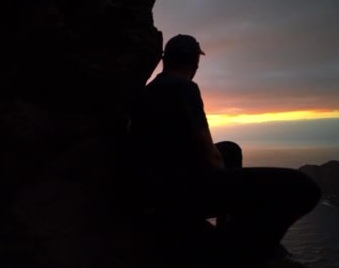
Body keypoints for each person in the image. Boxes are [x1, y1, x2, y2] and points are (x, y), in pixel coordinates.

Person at [127, 34, 321, 265]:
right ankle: (242, 252)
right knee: (304, 187)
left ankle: (226, 228)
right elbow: (210, 153)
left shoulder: (148, 90)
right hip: (182, 193)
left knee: (230, 149)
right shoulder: (185, 88)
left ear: (165, 60)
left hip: (156, 187)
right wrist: (229, 185)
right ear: (195, 63)